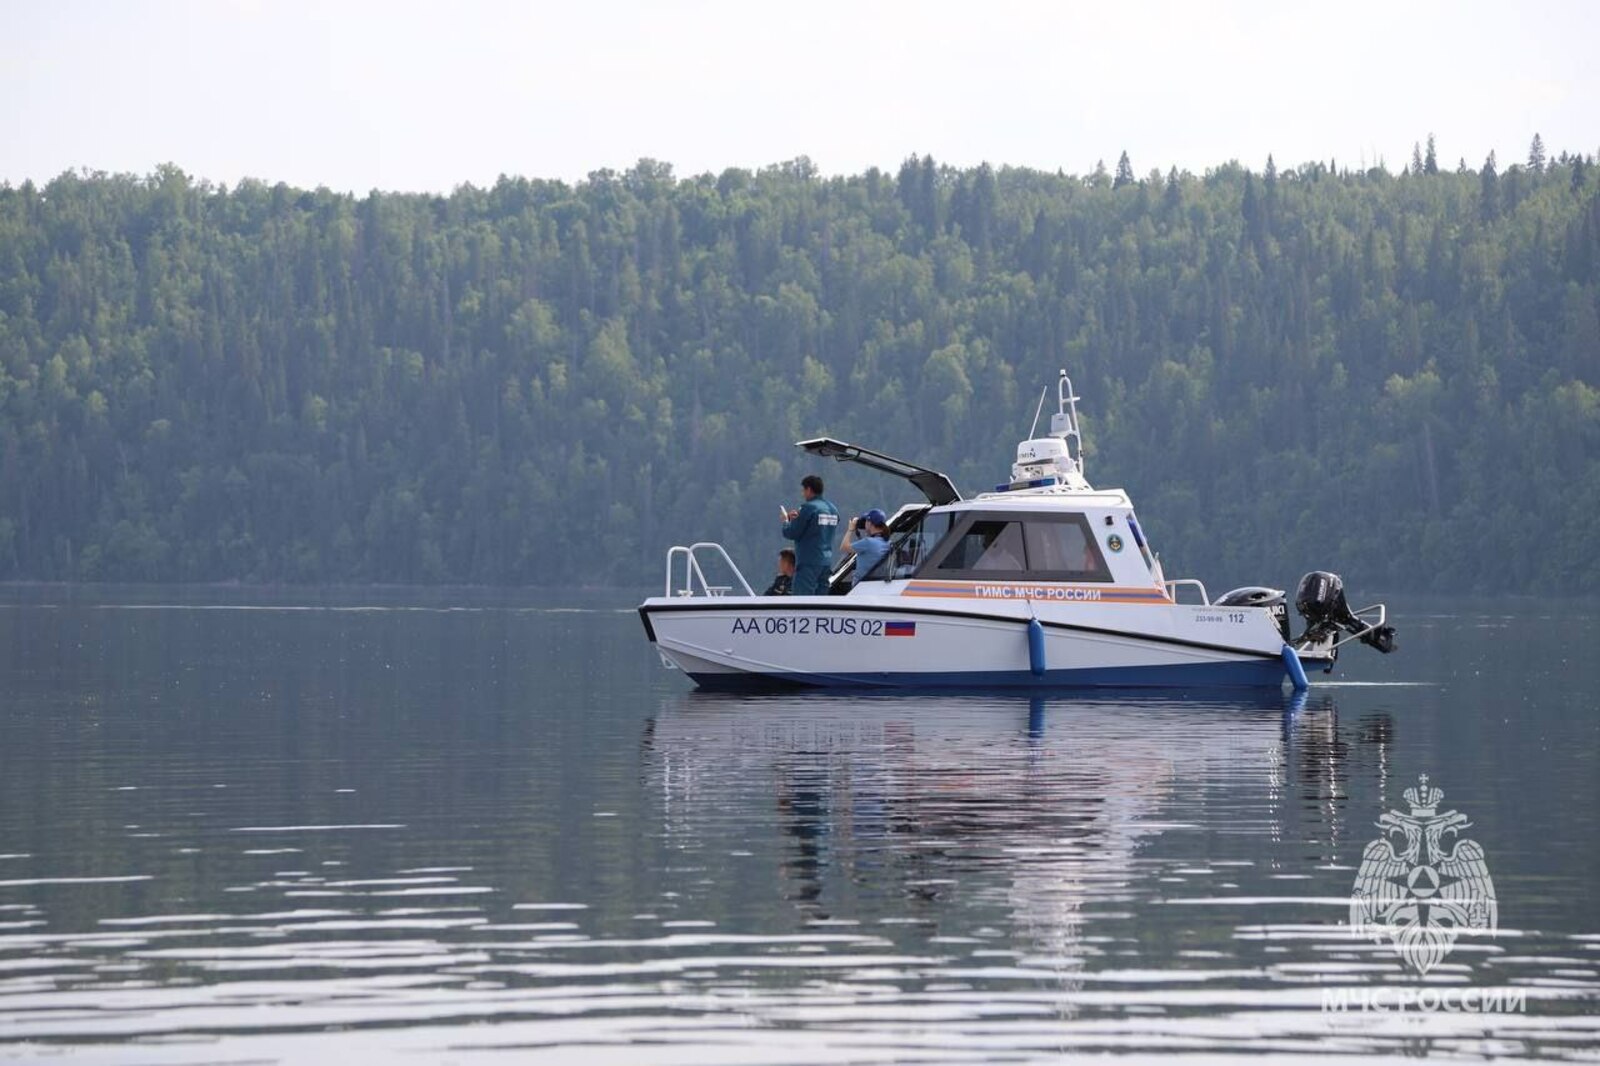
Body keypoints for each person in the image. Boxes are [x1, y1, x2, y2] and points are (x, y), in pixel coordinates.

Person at [781, 474, 839, 596]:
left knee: (802, 600)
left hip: (808, 563)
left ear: (808, 489)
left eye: (803, 490)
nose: (803, 494)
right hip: (826, 563)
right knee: (821, 600)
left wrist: (786, 521)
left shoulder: (808, 507)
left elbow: (791, 532)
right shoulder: (833, 509)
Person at [841, 508, 891, 585]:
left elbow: (844, 547)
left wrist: (850, 529)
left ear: (869, 523)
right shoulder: (887, 542)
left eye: (865, 521)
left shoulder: (868, 542)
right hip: (876, 583)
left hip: (860, 585)